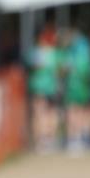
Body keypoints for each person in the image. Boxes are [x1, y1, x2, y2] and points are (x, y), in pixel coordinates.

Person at [28, 22, 62, 152]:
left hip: (41, 88)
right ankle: (47, 139)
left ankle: (42, 140)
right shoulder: (54, 53)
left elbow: (32, 66)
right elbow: (61, 69)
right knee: (49, 114)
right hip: (49, 87)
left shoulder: (36, 52)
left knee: (40, 114)